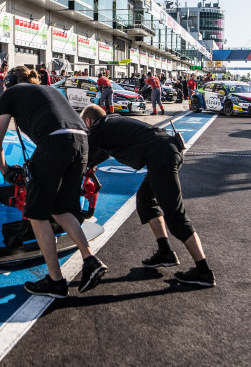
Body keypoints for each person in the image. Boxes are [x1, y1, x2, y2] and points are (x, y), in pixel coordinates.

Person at [0, 66, 107, 298]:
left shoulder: (11, 94)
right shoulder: (49, 90)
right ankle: (90, 259)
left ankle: (55, 281)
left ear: (10, 81)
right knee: (61, 208)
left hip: (56, 142)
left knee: (36, 213)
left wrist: (5, 170)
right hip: (82, 142)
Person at [81, 104, 216, 286]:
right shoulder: (112, 123)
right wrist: (91, 164)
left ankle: (204, 271)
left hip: (162, 157)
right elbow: (103, 152)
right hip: (166, 151)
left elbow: (83, 156)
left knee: (175, 215)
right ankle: (165, 252)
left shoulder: (99, 129)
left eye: (85, 126)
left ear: (88, 121)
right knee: (145, 200)